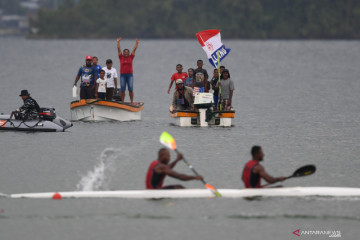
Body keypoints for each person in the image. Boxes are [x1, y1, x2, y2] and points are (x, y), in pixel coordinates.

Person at [117, 37, 139, 104]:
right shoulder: (121, 57)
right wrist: (118, 42)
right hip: (122, 75)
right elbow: (118, 49)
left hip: (130, 75)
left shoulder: (131, 57)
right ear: (123, 53)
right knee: (123, 89)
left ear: (128, 53)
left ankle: (131, 101)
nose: (126, 53)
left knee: (130, 89)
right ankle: (123, 101)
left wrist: (137, 43)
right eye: (125, 52)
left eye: (127, 52)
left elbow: (134, 49)